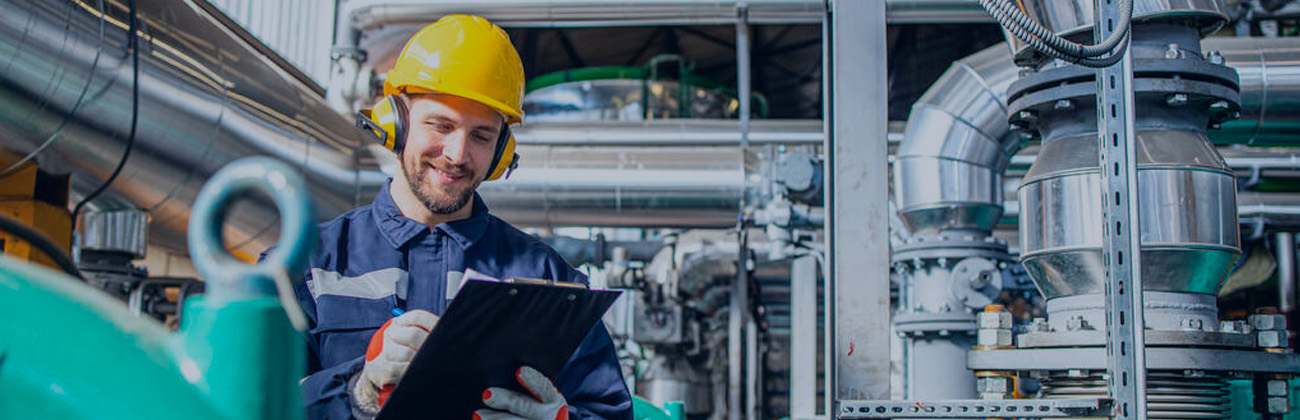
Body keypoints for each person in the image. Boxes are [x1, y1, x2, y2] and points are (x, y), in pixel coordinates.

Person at [285, 15, 632, 420]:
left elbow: (609, 412)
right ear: (397, 122)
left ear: (502, 151)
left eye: (481, 136)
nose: (457, 154)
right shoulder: (308, 266)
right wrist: (356, 394)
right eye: (441, 125)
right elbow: (242, 403)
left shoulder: (551, 282)